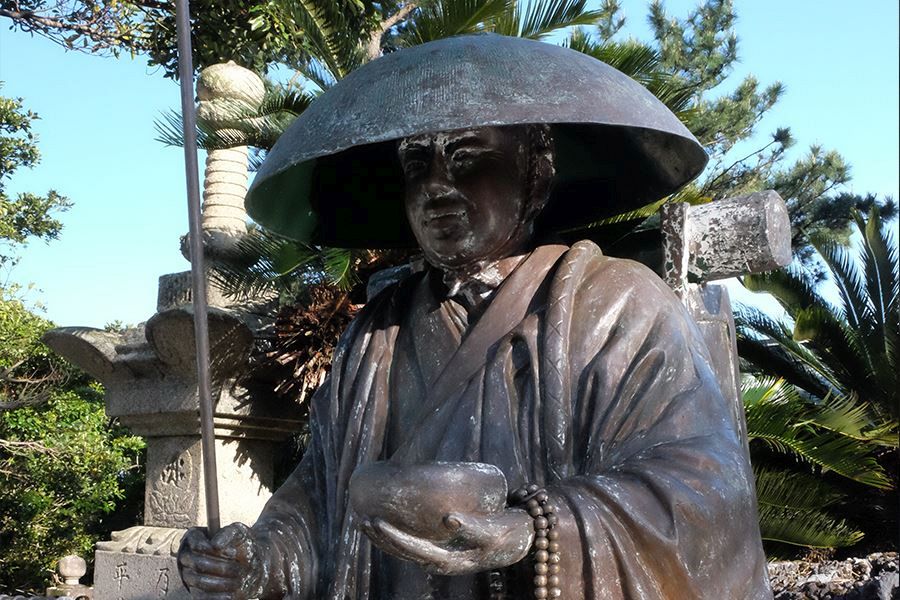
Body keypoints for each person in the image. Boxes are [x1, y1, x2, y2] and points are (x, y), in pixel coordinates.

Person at [179, 35, 771, 599]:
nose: (437, 186)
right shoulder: (376, 332)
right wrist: (259, 560)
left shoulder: (618, 304)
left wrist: (538, 531)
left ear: (536, 174)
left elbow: (704, 490)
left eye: (466, 157)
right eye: (417, 163)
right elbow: (320, 497)